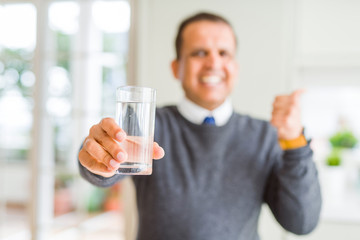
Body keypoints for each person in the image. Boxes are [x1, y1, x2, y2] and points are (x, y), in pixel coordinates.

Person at [78, 12, 321, 240]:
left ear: (235, 68)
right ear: (176, 68)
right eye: (199, 53)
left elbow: (301, 222)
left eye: (224, 53)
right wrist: (98, 158)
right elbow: (101, 170)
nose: (213, 62)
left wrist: (295, 143)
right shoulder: (150, 124)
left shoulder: (266, 136)